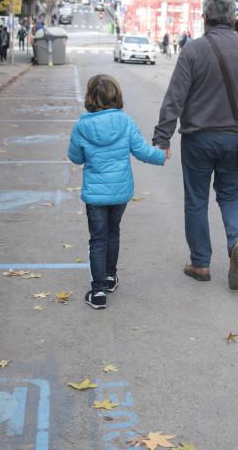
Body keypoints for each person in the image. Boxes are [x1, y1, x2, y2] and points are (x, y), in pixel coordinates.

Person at [153, 0, 238, 291]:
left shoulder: (193, 51)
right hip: (236, 139)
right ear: (233, 19)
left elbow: (174, 99)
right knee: (231, 195)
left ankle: (200, 263)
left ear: (205, 18)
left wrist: (162, 138)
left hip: (198, 138)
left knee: (196, 200)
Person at [67, 75, 167, 309]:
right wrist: (161, 155)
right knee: (113, 232)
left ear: (90, 98)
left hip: (95, 194)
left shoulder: (82, 126)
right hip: (121, 192)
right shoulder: (125, 122)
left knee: (98, 239)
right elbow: (141, 151)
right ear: (117, 96)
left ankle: (98, 291)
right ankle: (110, 277)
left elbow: (75, 157)